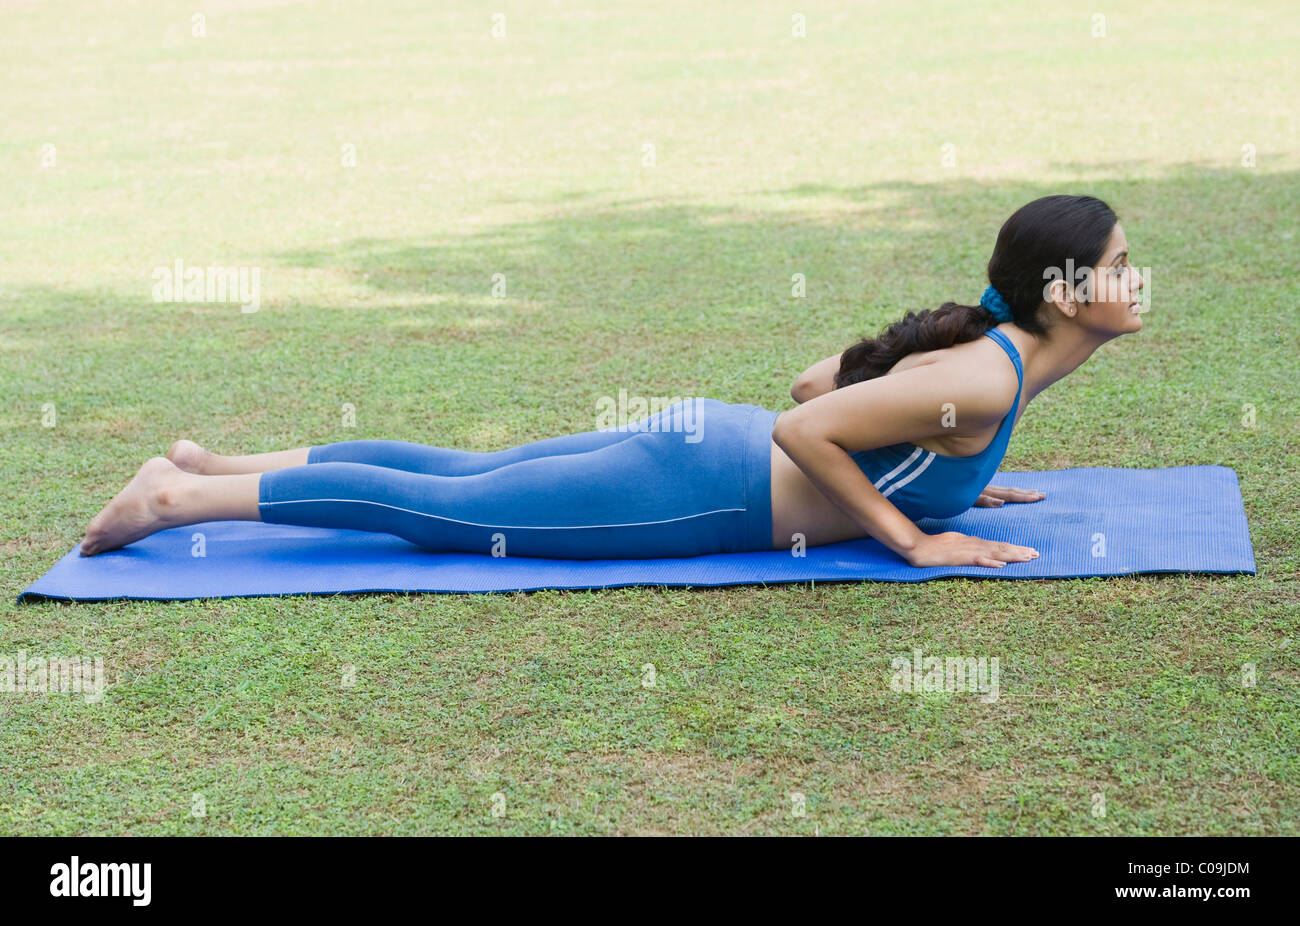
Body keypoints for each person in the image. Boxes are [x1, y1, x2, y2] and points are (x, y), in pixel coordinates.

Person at [81, 194, 1143, 568]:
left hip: (692, 444)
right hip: (696, 490)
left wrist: (936, 476)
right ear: (1058, 294)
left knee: (462, 472)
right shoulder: (989, 378)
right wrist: (912, 533)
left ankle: (215, 464)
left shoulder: (992, 366)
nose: (1134, 282)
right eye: (1115, 267)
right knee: (445, 510)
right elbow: (802, 423)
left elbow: (828, 380)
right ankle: (177, 498)